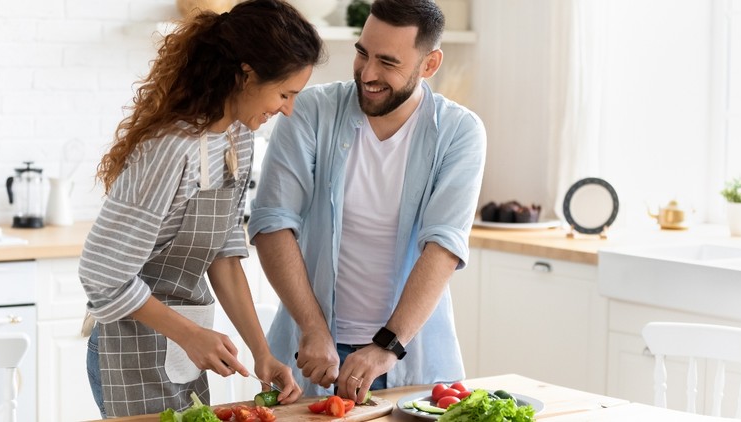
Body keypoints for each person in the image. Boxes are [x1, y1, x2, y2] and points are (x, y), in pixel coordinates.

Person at [78, 0, 324, 417]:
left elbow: (223, 255)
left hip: (183, 353)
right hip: (130, 351)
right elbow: (101, 274)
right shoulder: (170, 150)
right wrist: (190, 335)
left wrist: (262, 353)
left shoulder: (237, 140)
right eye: (284, 93)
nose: (287, 109)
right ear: (246, 74)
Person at [248, 0, 486, 402]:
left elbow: (443, 247)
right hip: (310, 354)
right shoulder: (309, 111)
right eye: (363, 53)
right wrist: (313, 328)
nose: (368, 73)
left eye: (388, 62)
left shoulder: (460, 132)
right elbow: (273, 223)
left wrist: (387, 345)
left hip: (407, 357)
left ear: (429, 64)